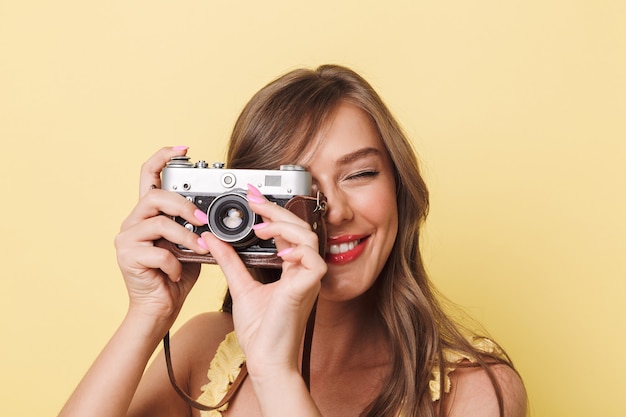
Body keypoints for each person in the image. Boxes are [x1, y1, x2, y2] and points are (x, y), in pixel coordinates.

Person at [58, 65, 527, 417]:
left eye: (360, 173)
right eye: (299, 189)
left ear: (402, 190)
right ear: (238, 206)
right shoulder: (206, 349)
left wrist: (276, 374)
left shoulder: (476, 389)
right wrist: (147, 313)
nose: (333, 211)